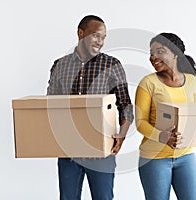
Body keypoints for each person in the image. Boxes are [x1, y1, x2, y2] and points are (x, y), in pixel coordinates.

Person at [47, 15, 133, 200]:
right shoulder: (60, 65)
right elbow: (51, 105)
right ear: (80, 33)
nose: (100, 42)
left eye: (103, 38)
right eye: (95, 36)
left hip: (101, 151)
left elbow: (125, 104)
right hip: (68, 150)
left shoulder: (112, 65)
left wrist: (122, 133)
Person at [135, 32, 196, 200]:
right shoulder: (148, 83)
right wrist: (162, 136)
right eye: (151, 53)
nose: (153, 57)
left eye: (160, 51)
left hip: (186, 156)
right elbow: (140, 122)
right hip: (154, 159)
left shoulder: (191, 82)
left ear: (175, 53)